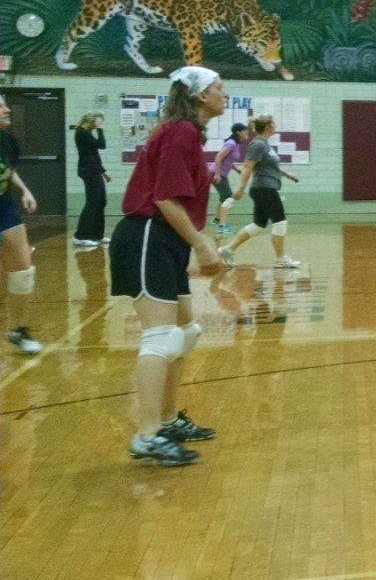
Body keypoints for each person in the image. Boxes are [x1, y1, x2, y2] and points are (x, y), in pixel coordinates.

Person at [110, 65, 227, 465]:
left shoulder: (187, 133)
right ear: (200, 97)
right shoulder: (180, 131)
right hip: (147, 236)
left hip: (165, 240)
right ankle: (147, 435)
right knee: (160, 338)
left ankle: (167, 418)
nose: (223, 94)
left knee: (186, 332)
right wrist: (203, 246)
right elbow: (163, 198)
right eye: (218, 88)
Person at [219, 115, 301, 270]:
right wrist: (241, 188)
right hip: (264, 188)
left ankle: (227, 250)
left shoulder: (265, 145)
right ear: (268, 127)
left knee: (258, 225)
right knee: (280, 222)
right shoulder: (257, 144)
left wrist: (289, 176)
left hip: (266, 188)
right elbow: (247, 167)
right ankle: (281, 258)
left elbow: (272, 167)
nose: (276, 125)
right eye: (274, 123)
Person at [0, 98, 42, 355]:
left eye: (5, 105)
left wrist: (24, 190)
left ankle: (17, 329)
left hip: (4, 207)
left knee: (23, 270)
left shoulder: (9, 141)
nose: (6, 110)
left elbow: (8, 169)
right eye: (0, 106)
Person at [74, 111, 111, 248]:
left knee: (101, 201)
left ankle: (96, 235)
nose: (98, 126)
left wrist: (103, 172)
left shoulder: (87, 133)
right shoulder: (81, 132)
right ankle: (80, 236)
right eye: (98, 122)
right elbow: (101, 144)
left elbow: (94, 155)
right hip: (88, 171)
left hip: (94, 170)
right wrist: (100, 129)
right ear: (91, 121)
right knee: (92, 202)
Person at [209, 122, 249, 236]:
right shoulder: (231, 144)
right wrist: (217, 174)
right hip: (216, 174)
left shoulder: (237, 144)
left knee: (224, 197)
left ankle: (217, 219)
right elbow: (218, 157)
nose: (247, 133)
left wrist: (236, 170)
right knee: (228, 197)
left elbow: (229, 160)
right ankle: (222, 226)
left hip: (221, 174)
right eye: (245, 131)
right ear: (239, 132)